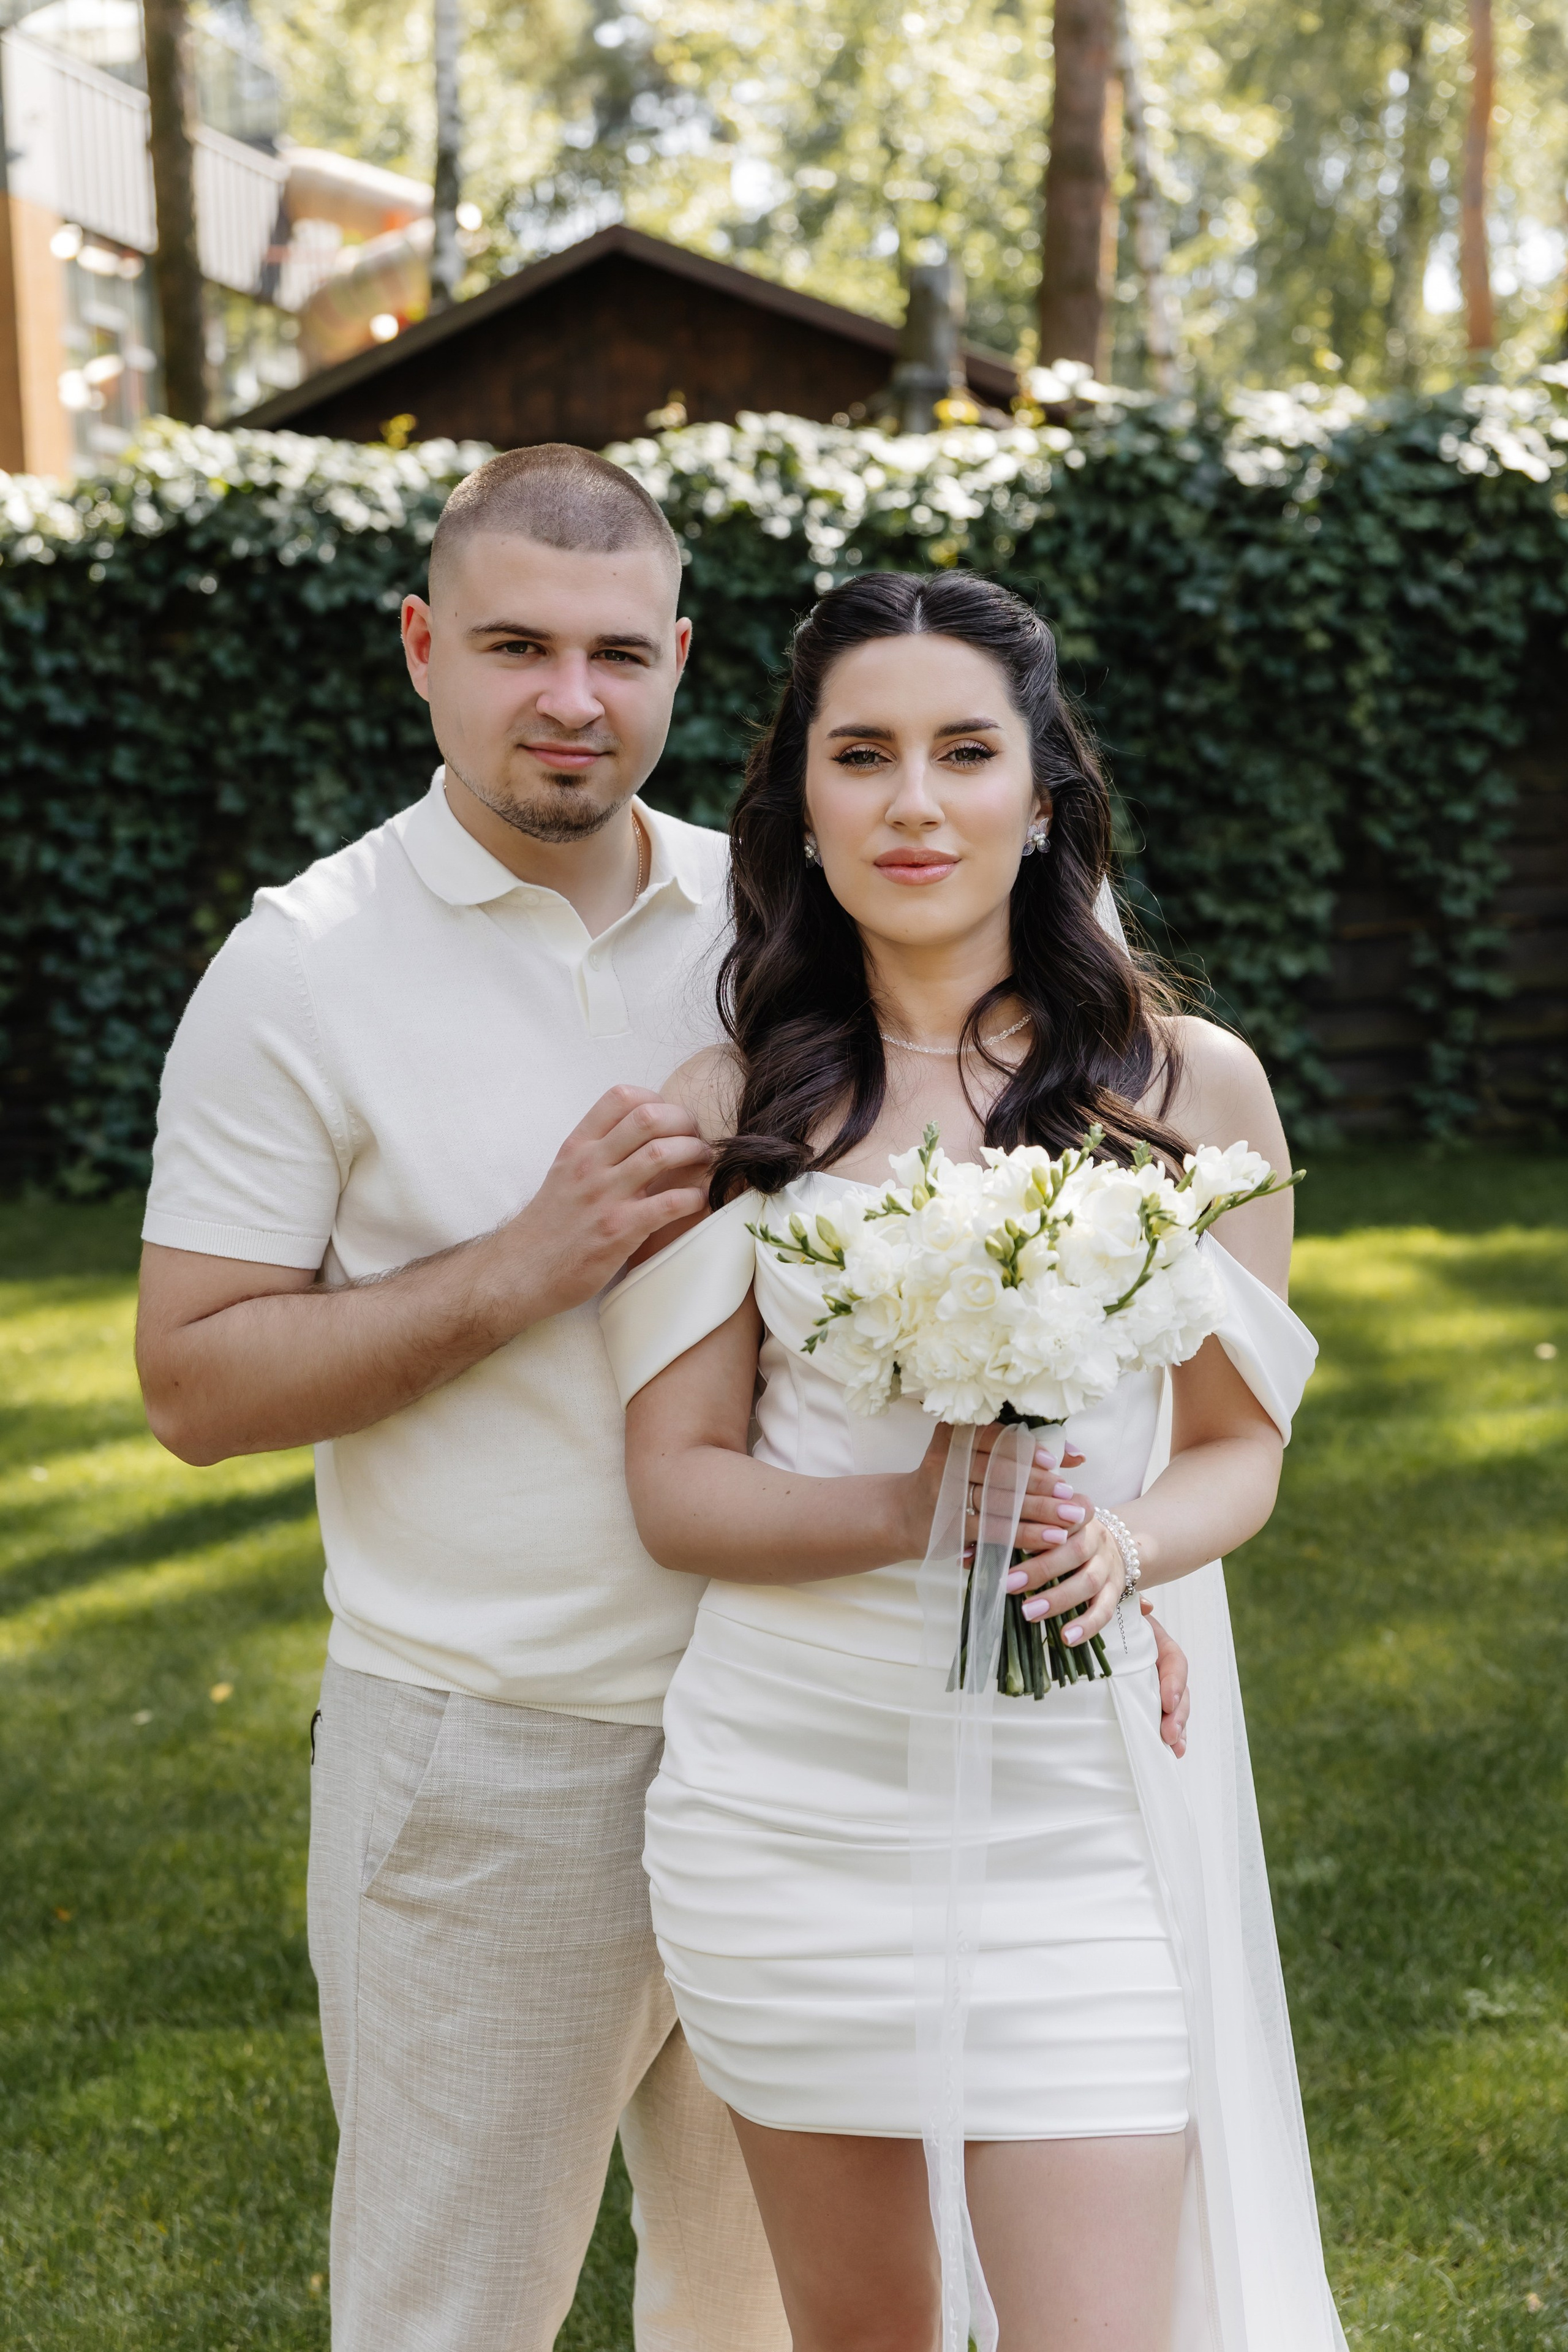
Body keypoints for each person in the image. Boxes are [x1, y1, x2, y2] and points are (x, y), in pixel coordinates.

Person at [133, 445, 1193, 2351]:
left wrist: (1126, 1571)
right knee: (454, 2313)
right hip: (497, 1752)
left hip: (822, 1745)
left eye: (619, 652)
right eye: (516, 645)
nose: (570, 697)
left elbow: (1055, 1199)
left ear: (684, 662)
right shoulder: (302, 968)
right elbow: (194, 1384)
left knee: (783, 2322)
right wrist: (519, 1267)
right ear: (420, 650)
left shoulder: (781, 923)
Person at [598, 571, 1347, 2351]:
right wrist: (907, 1509)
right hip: (790, 1807)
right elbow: (677, 1484)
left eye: (962, 752)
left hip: (1071, 1821)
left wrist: (1134, 1548)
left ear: (1043, 796)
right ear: (799, 807)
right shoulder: (733, 1113)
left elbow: (1242, 1452)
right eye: (861, 757)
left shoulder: (1193, 1092)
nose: (913, 803)